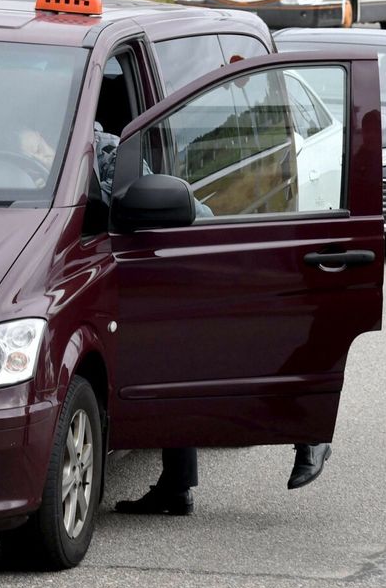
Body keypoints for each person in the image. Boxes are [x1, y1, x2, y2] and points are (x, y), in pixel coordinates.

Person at [91, 124, 325, 516]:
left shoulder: (103, 153)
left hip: (178, 259)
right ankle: (176, 485)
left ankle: (307, 429)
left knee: (214, 358)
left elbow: (191, 213)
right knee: (170, 365)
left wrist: (211, 248)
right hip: (137, 276)